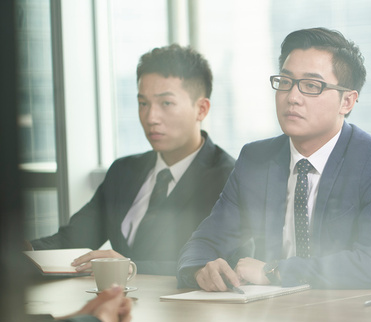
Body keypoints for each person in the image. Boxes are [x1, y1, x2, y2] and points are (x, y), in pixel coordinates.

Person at [177, 28, 371, 290]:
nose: (292, 97)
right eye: (285, 82)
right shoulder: (256, 159)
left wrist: (276, 271)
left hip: (343, 316)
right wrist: (200, 268)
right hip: (269, 317)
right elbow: (204, 241)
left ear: (347, 102)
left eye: (311, 86)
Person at [29, 44, 235, 275]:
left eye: (166, 103)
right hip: (117, 305)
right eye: (143, 103)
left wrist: (131, 268)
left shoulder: (230, 178)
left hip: (184, 309)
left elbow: (225, 264)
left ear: (202, 109)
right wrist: (26, 251)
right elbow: (73, 239)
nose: (150, 117)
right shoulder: (123, 171)